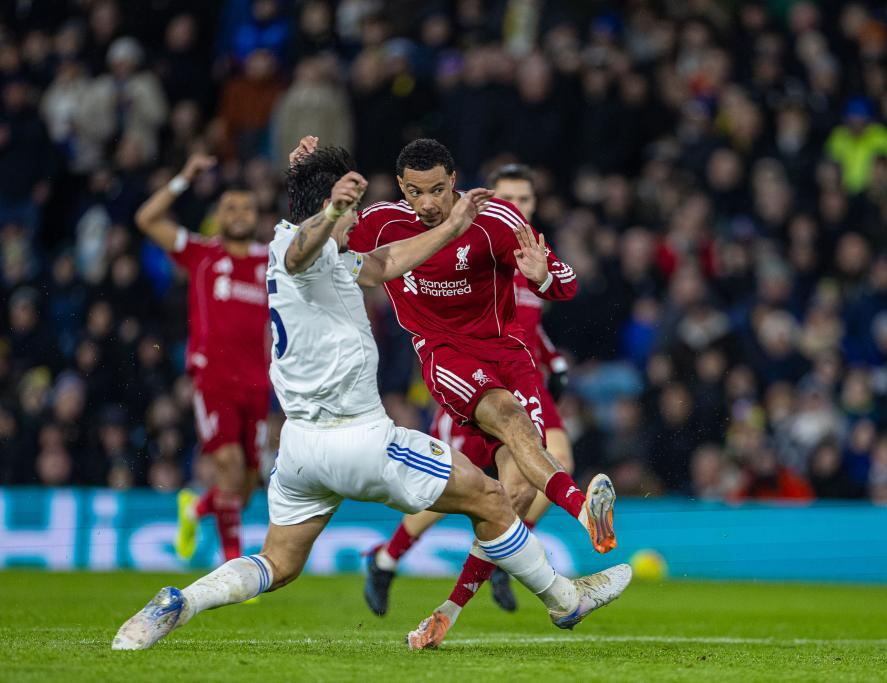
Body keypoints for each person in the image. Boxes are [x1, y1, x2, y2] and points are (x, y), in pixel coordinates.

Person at [112, 145, 631, 652]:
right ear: (329, 210)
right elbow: (304, 254)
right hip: (361, 441)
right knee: (492, 499)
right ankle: (565, 599)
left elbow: (386, 261)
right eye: (349, 212)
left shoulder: (285, 242)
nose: (357, 220)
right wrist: (335, 211)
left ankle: (183, 601)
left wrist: (308, 174)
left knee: (279, 562)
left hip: (300, 451)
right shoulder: (308, 254)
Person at [337, 138, 616, 635]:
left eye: (437, 190)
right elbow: (322, 242)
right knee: (504, 431)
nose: (427, 202)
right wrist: (311, 183)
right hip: (446, 357)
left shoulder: (500, 223)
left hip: (509, 356)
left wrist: (543, 278)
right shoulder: (380, 222)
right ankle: (582, 511)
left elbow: (567, 284)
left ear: (454, 181)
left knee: (513, 492)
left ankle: (449, 611)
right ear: (401, 187)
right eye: (416, 192)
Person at [366, 163, 575, 615]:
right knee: (459, 490)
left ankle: (506, 554)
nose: (517, 206)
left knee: (534, 474)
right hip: (468, 377)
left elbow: (527, 325)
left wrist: (553, 359)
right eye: (508, 198)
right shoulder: (480, 241)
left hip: (519, 373)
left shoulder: (527, 252)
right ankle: (387, 558)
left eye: (525, 199)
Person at [134, 153, 270, 564]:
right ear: (219, 215)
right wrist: (183, 177)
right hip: (214, 380)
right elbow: (146, 219)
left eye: (246, 208)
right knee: (228, 465)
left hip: (257, 383)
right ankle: (234, 568)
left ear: (257, 215)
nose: (239, 214)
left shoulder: (271, 260)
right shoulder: (201, 253)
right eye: (231, 207)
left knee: (245, 489)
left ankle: (194, 510)